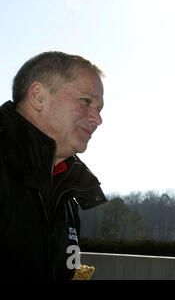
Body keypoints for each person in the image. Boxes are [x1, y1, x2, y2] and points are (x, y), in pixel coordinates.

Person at [0, 51, 107, 280]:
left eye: (99, 109)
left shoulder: (66, 193)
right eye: (86, 102)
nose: (97, 119)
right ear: (38, 97)